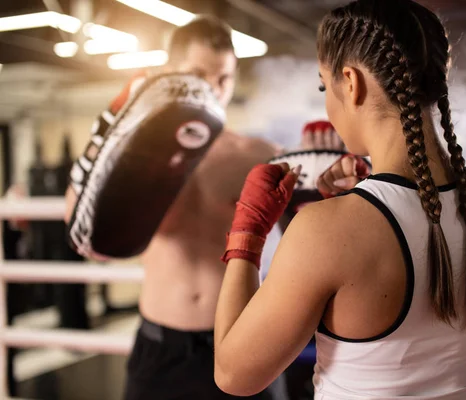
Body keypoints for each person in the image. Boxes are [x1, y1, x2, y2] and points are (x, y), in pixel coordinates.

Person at [213, 1, 466, 399]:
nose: (327, 101)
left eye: (325, 86)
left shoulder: (327, 231)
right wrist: (356, 204)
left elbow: (233, 375)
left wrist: (248, 230)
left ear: (351, 82)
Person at [63, 15, 340, 400]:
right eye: (198, 74)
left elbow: (314, 237)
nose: (213, 87)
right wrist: (108, 127)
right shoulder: (133, 157)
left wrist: (329, 174)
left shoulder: (259, 155)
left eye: (223, 78)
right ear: (169, 71)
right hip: (161, 347)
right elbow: (78, 223)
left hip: (241, 341)